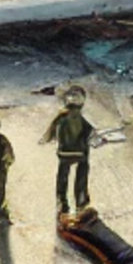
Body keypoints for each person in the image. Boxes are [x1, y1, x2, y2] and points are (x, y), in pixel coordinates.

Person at [41, 85, 94, 218]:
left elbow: (54, 134)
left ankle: (62, 203)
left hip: (64, 153)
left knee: (63, 177)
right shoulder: (79, 117)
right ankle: (81, 202)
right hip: (80, 153)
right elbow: (89, 132)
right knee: (81, 175)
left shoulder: (61, 117)